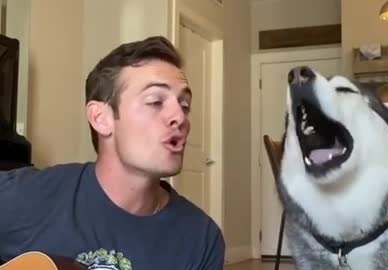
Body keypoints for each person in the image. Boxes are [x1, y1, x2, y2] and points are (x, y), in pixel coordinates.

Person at [0, 36, 225, 270]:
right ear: (101, 118)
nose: (179, 117)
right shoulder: (29, 197)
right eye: (156, 101)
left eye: (185, 105)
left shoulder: (201, 240)